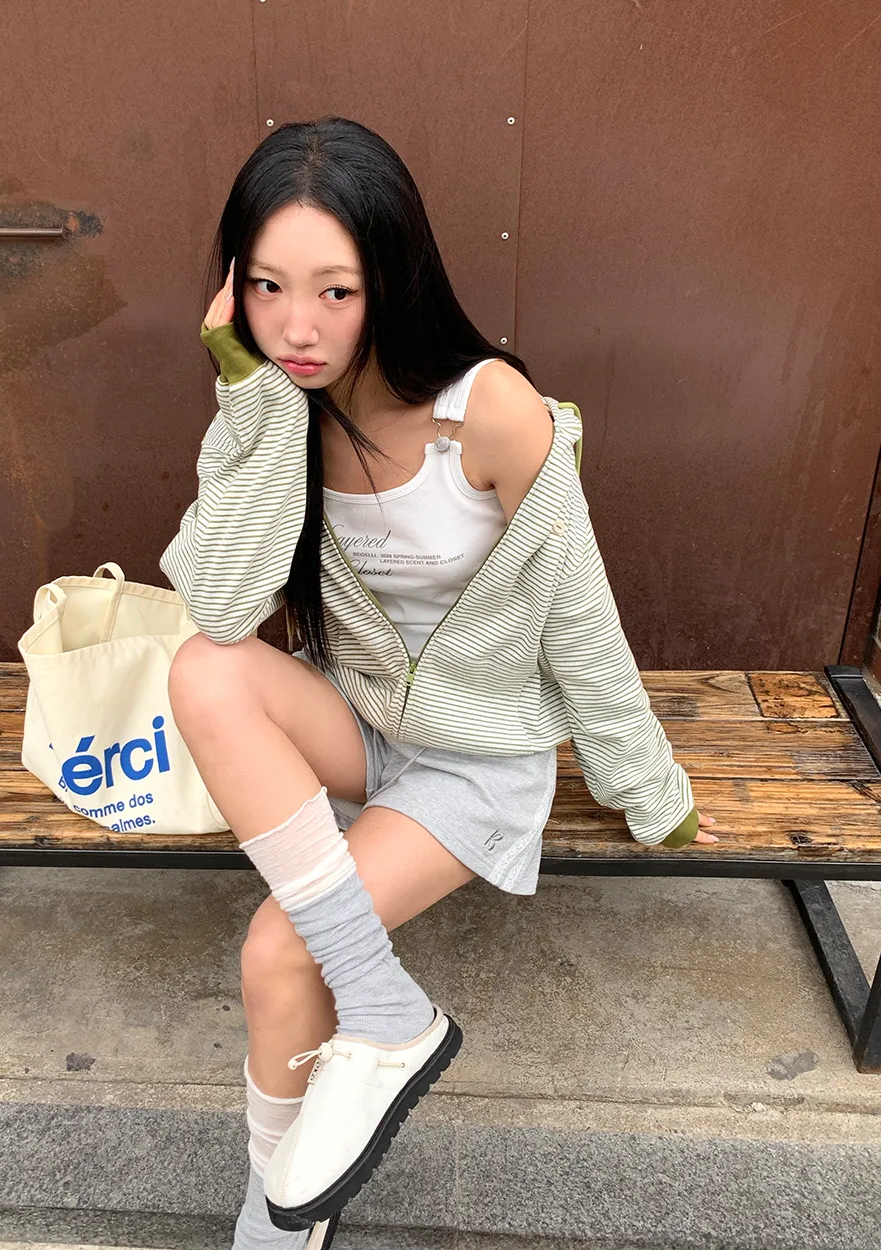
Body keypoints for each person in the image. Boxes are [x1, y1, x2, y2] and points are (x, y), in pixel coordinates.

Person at [160, 116, 718, 1250]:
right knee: (203, 666)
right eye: (266, 287)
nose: (297, 327)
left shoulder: (491, 412)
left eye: (336, 291)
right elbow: (222, 604)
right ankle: (352, 1073)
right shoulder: (277, 405)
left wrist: (646, 785)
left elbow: (579, 616)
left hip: (476, 763)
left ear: (393, 278)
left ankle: (281, 1211)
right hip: (361, 726)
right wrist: (249, 397)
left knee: (276, 949)